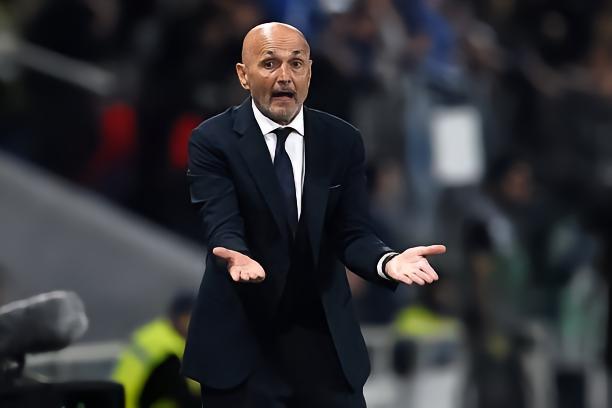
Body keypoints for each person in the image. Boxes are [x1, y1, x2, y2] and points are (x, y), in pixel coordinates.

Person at [183, 22, 446, 407]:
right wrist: (235, 253)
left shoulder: (342, 140)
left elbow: (353, 232)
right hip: (244, 350)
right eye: (269, 63)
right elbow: (221, 220)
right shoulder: (212, 140)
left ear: (309, 72)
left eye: (296, 63)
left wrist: (387, 261)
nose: (284, 76)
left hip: (324, 349)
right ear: (243, 75)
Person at [112, 292, 200, 408]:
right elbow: (187, 398)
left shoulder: (153, 332)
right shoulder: (169, 354)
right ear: (181, 318)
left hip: (117, 400)